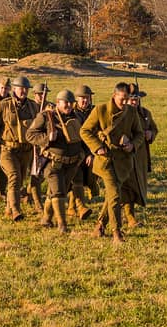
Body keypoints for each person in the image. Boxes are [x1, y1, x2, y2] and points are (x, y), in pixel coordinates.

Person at [80, 82, 144, 244]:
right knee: (115, 194)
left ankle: (100, 225)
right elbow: (84, 131)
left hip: (123, 162)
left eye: (127, 99)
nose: (125, 102)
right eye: (122, 99)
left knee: (112, 196)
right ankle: (117, 232)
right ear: (114, 96)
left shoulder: (131, 112)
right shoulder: (100, 110)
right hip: (105, 161)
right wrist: (98, 147)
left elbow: (139, 134)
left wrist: (132, 145)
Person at [26, 89, 85, 233]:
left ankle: (46, 219)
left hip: (72, 163)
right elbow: (30, 135)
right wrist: (47, 139)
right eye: (66, 103)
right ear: (58, 103)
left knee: (55, 192)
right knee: (59, 193)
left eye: (71, 103)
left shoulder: (77, 117)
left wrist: (86, 153)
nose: (69, 106)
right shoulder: (46, 116)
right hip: (53, 164)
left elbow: (84, 136)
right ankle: (62, 224)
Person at [0, 75, 39, 221]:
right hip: (7, 150)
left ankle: (8, 209)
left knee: (19, 181)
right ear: (14, 89)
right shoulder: (3, 105)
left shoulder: (33, 107)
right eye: (20, 88)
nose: (23, 91)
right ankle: (16, 210)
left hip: (25, 151)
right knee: (14, 176)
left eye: (26, 89)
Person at [122, 82, 159, 228]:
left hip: (141, 156)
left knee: (137, 186)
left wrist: (151, 134)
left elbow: (154, 129)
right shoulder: (122, 113)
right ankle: (129, 217)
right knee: (125, 186)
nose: (134, 101)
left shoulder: (145, 114)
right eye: (131, 99)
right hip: (125, 155)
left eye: (136, 99)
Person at [69, 84, 96, 220]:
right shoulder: (71, 113)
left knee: (89, 178)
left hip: (91, 151)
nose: (85, 101)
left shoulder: (95, 112)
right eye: (82, 98)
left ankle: (71, 206)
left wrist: (92, 153)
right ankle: (80, 207)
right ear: (76, 99)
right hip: (76, 152)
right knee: (77, 179)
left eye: (87, 98)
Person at [27, 82, 52, 213]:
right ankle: (37, 203)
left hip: (44, 146)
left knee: (41, 174)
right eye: (40, 94)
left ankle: (31, 194)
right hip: (29, 145)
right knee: (34, 174)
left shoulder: (50, 107)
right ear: (35, 94)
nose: (42, 96)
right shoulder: (29, 106)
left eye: (44, 94)